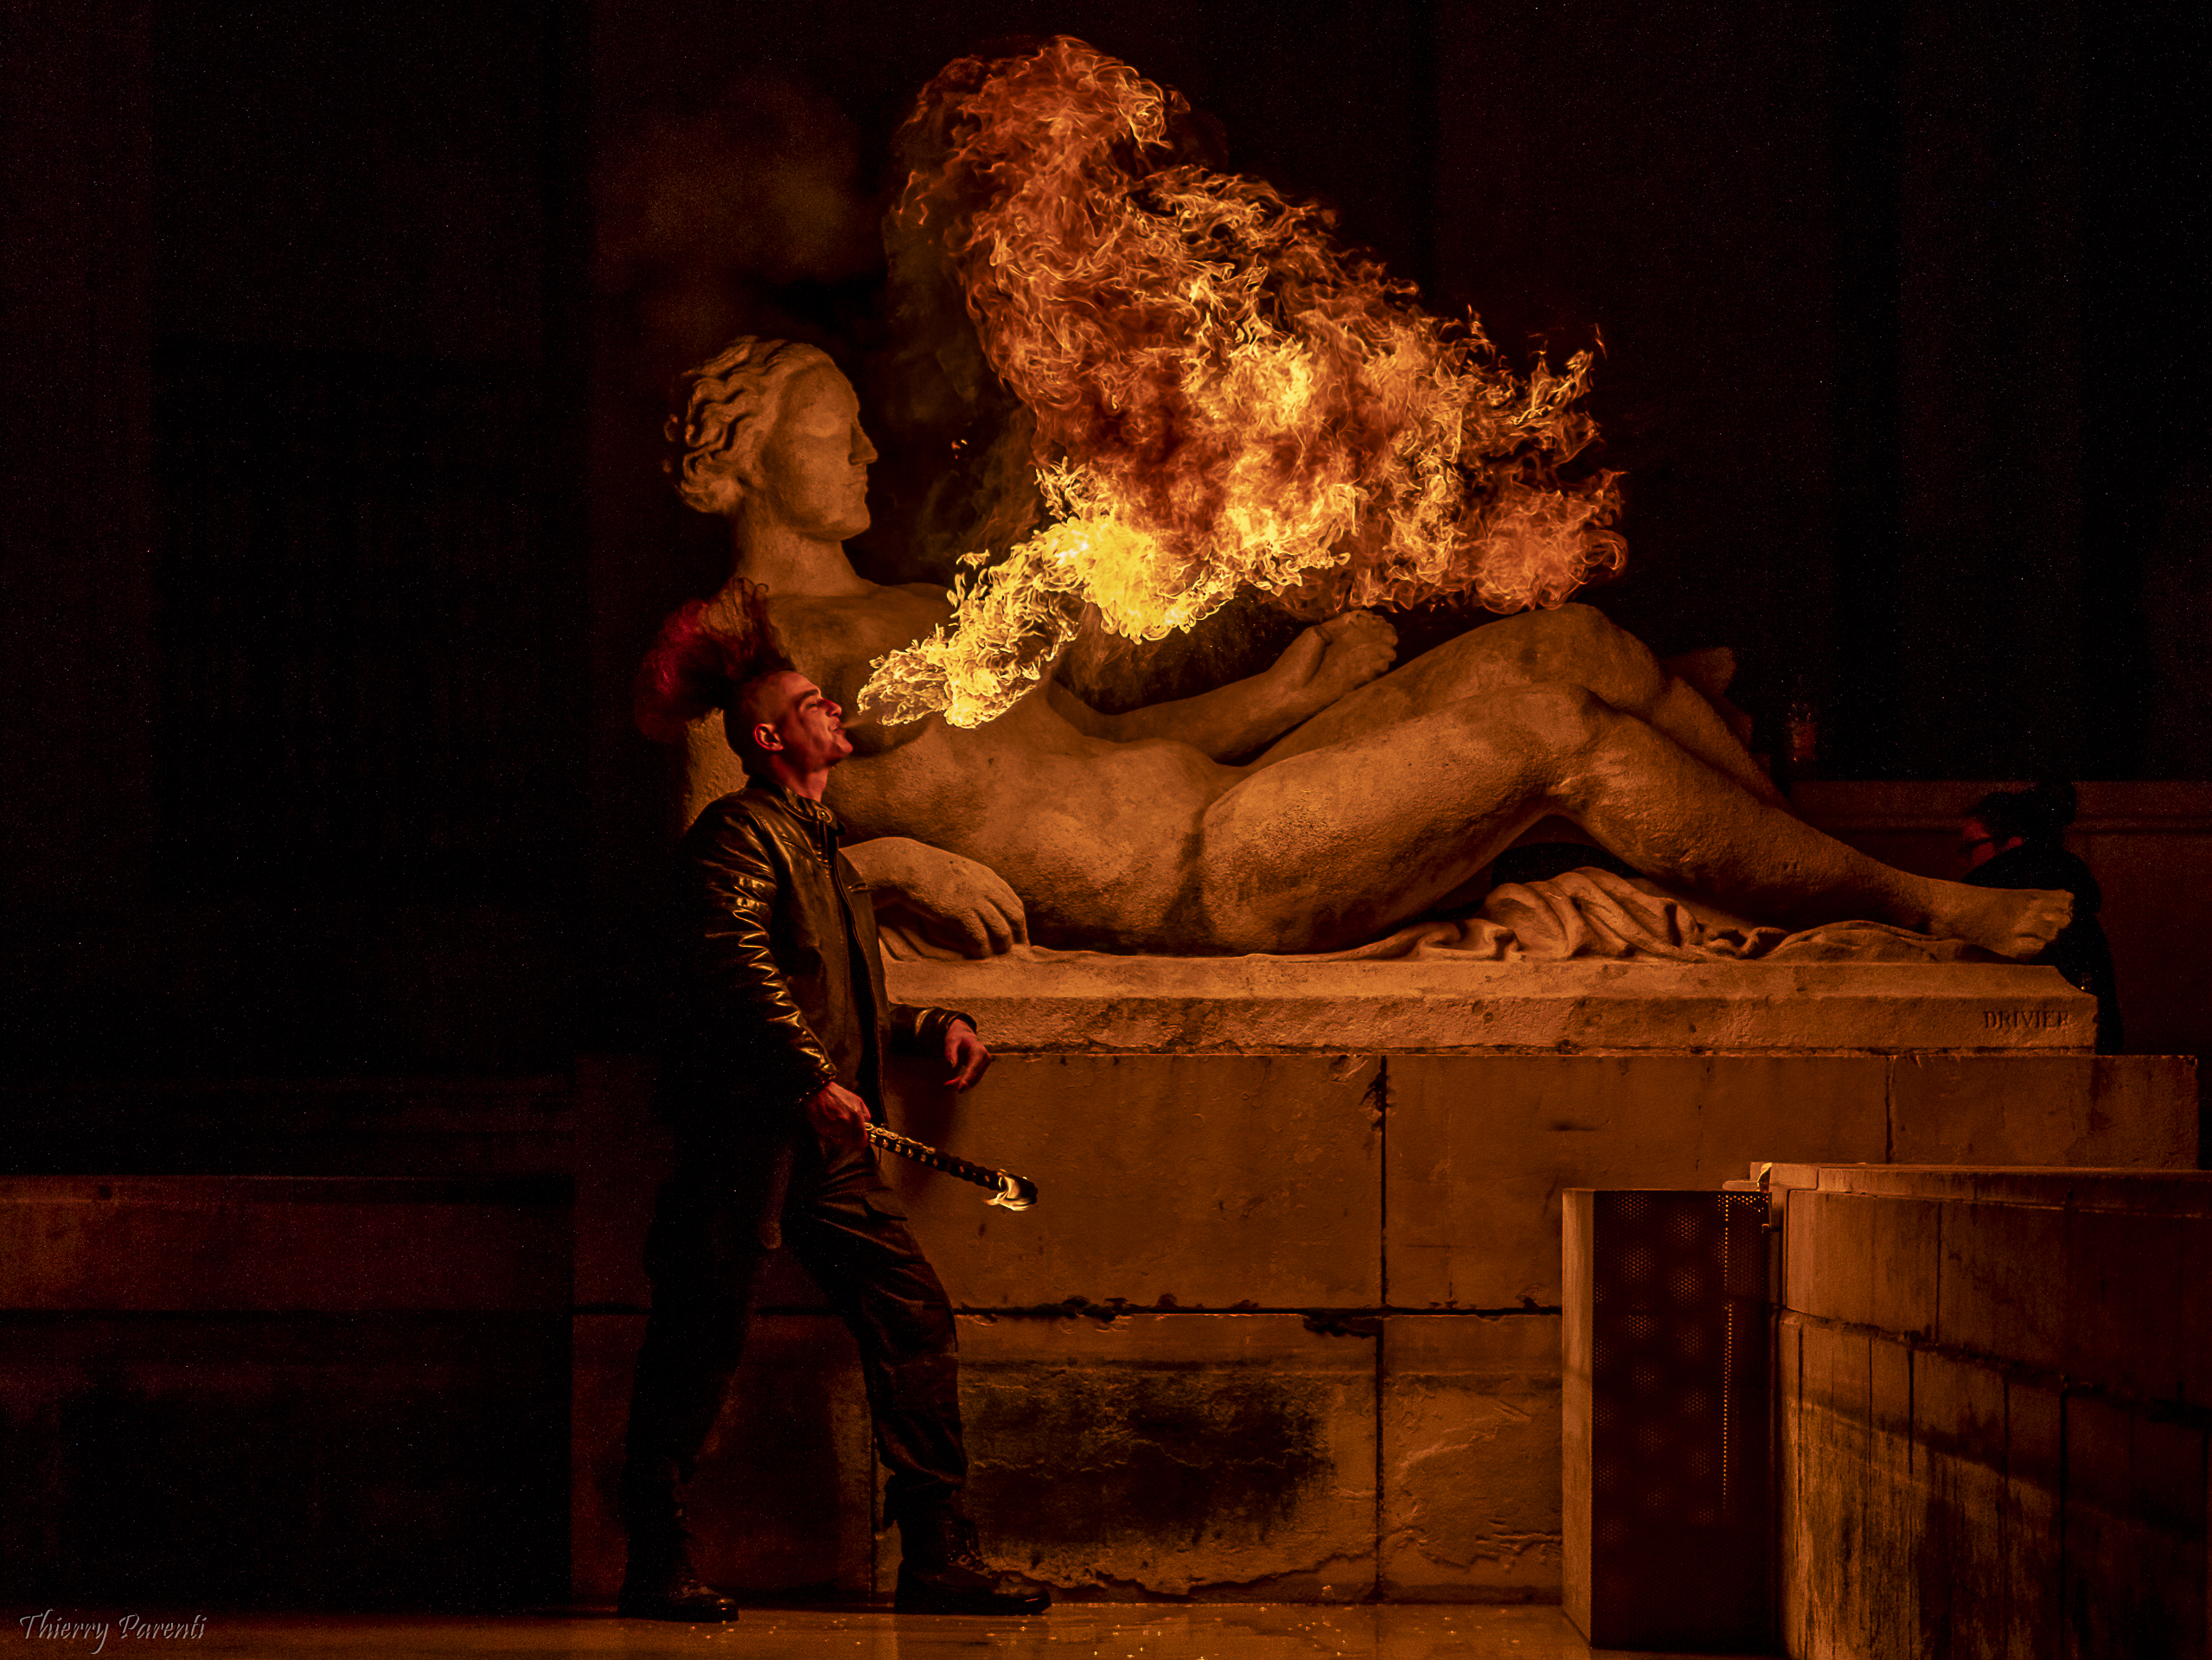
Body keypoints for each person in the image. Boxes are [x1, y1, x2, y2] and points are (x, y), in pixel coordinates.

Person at [641, 336, 2075, 967]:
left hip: (1230, 802)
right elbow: (713, 878)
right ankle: (1916, 908)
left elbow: (1114, 753)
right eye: (836, 421)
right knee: (1545, 739)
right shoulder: (737, 655)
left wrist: (1281, 692)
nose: (869, 442)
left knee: (1567, 637)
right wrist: (893, 869)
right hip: (1209, 883)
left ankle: (1782, 891)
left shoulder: (907, 608)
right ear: (746, 453)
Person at [618, 652, 1053, 1622]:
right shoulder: (737, 834)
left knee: (911, 1317)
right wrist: (805, 1078)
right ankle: (654, 1561)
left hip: (828, 1145)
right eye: (814, 702)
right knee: (699, 1337)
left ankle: (937, 1555)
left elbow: (844, 1002)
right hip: (749, 1144)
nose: (837, 707)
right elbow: (733, 963)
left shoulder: (822, 848)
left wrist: (927, 1026)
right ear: (769, 738)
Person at [1959, 782, 2123, 1051]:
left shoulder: (1983, 899)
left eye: (1971, 846)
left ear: (2012, 843)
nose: (1965, 859)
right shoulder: (2078, 901)